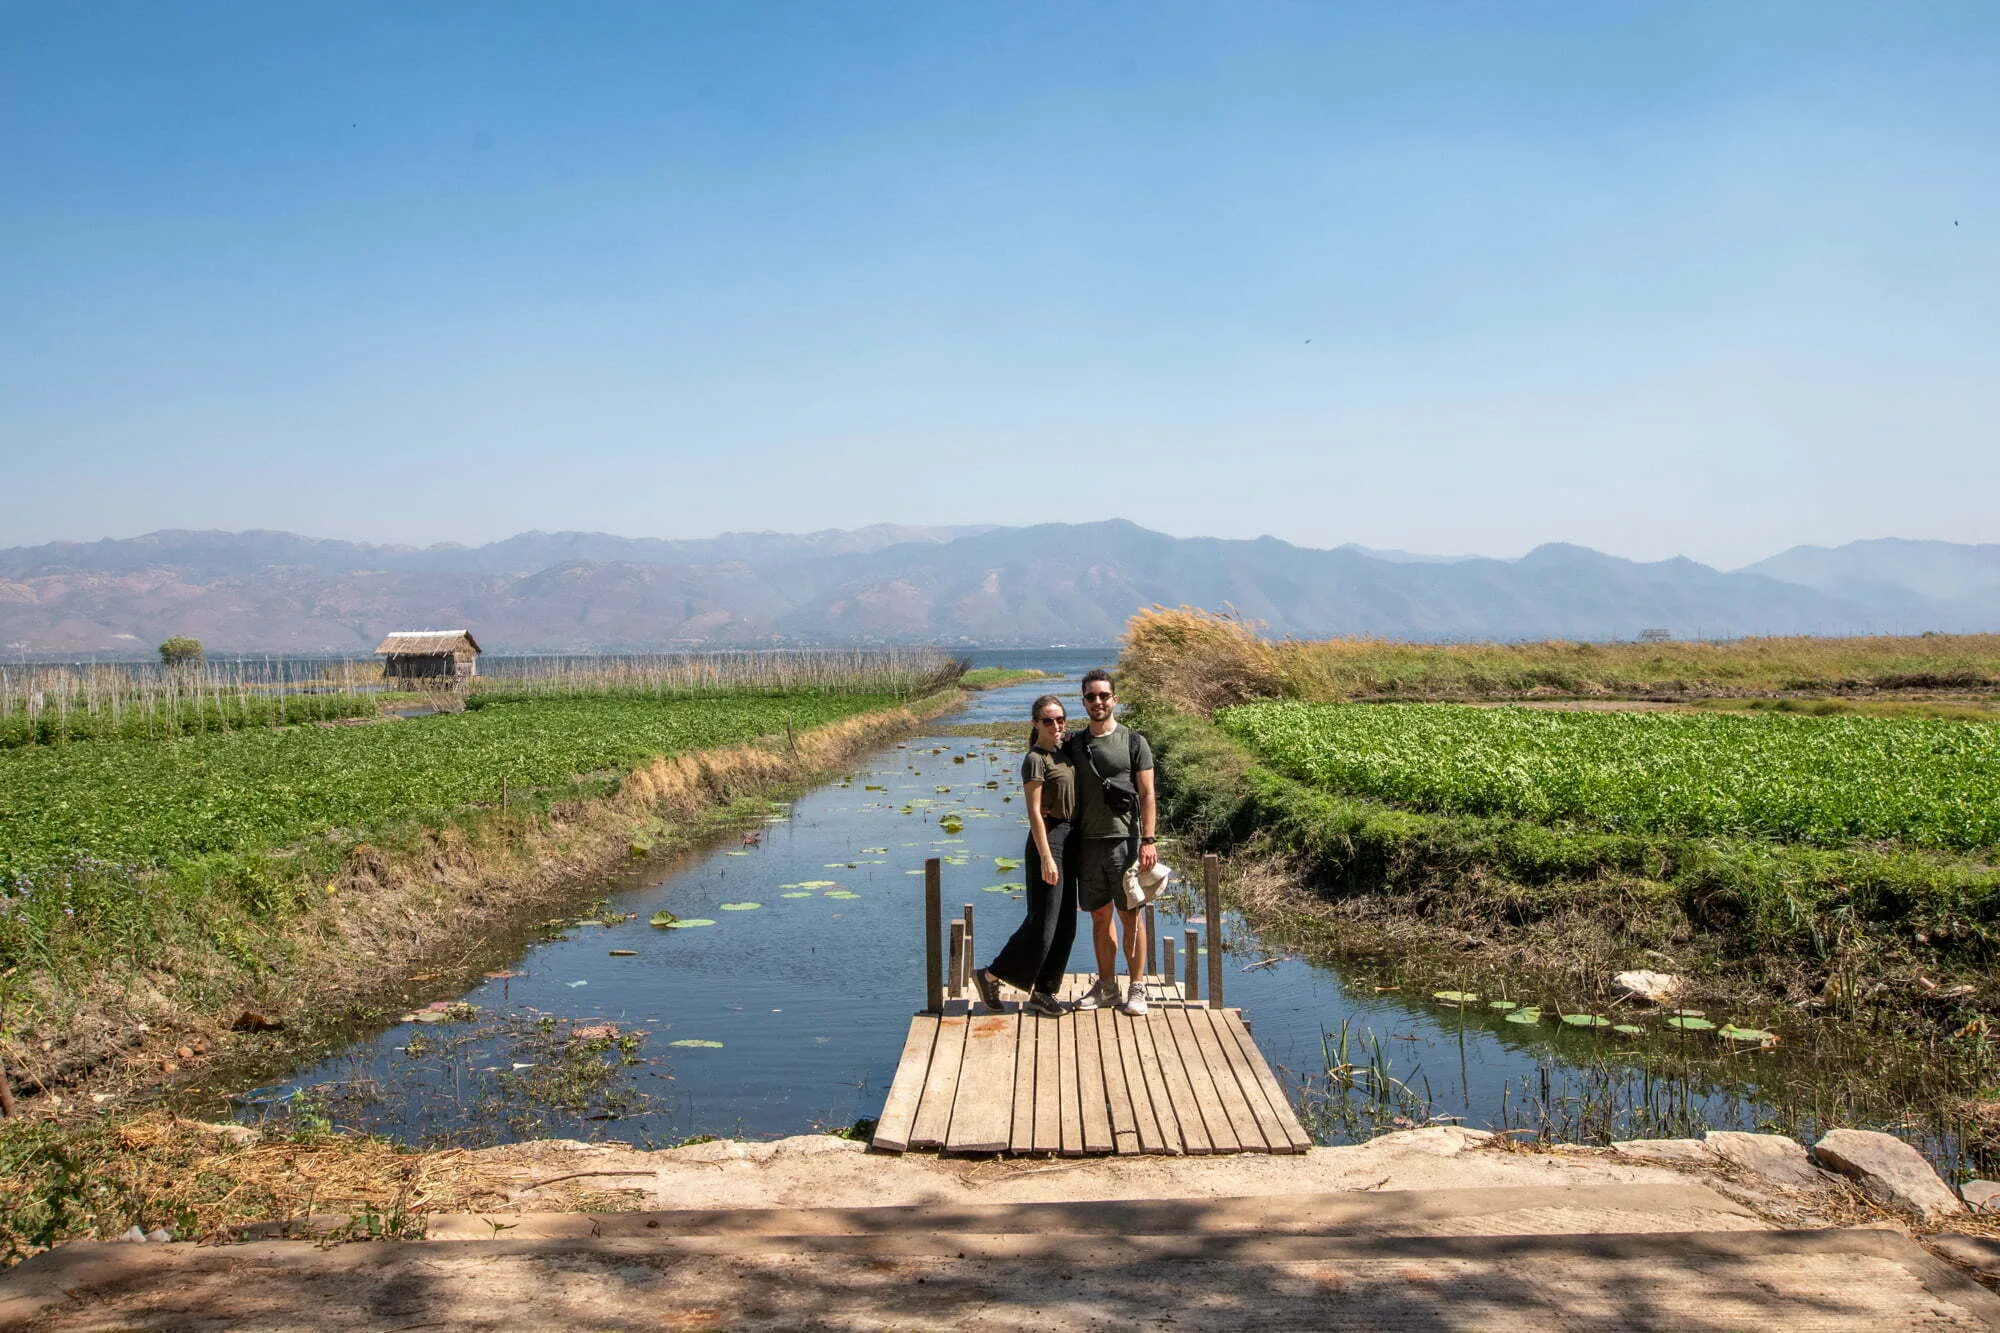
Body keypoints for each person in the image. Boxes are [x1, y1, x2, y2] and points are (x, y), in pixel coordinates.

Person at [971, 695, 1076, 1017]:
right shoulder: (1035, 759)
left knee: (1066, 926)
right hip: (1049, 839)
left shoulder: (1063, 753)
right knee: (1042, 924)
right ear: (1035, 723)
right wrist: (1046, 857)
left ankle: (1044, 992)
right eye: (1048, 720)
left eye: (1060, 719)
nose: (1056, 725)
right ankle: (990, 975)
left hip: (1071, 838)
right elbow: (1033, 812)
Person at [1065, 668, 1157, 1016]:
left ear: (1114, 699)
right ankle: (1106, 987)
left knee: (1130, 915)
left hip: (1126, 842)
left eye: (1104, 695)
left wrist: (1148, 840)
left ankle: (1137, 989)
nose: (1098, 701)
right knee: (1100, 917)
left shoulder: (1134, 742)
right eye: (1091, 696)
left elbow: (1147, 794)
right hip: (1088, 843)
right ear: (1084, 701)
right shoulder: (1074, 743)